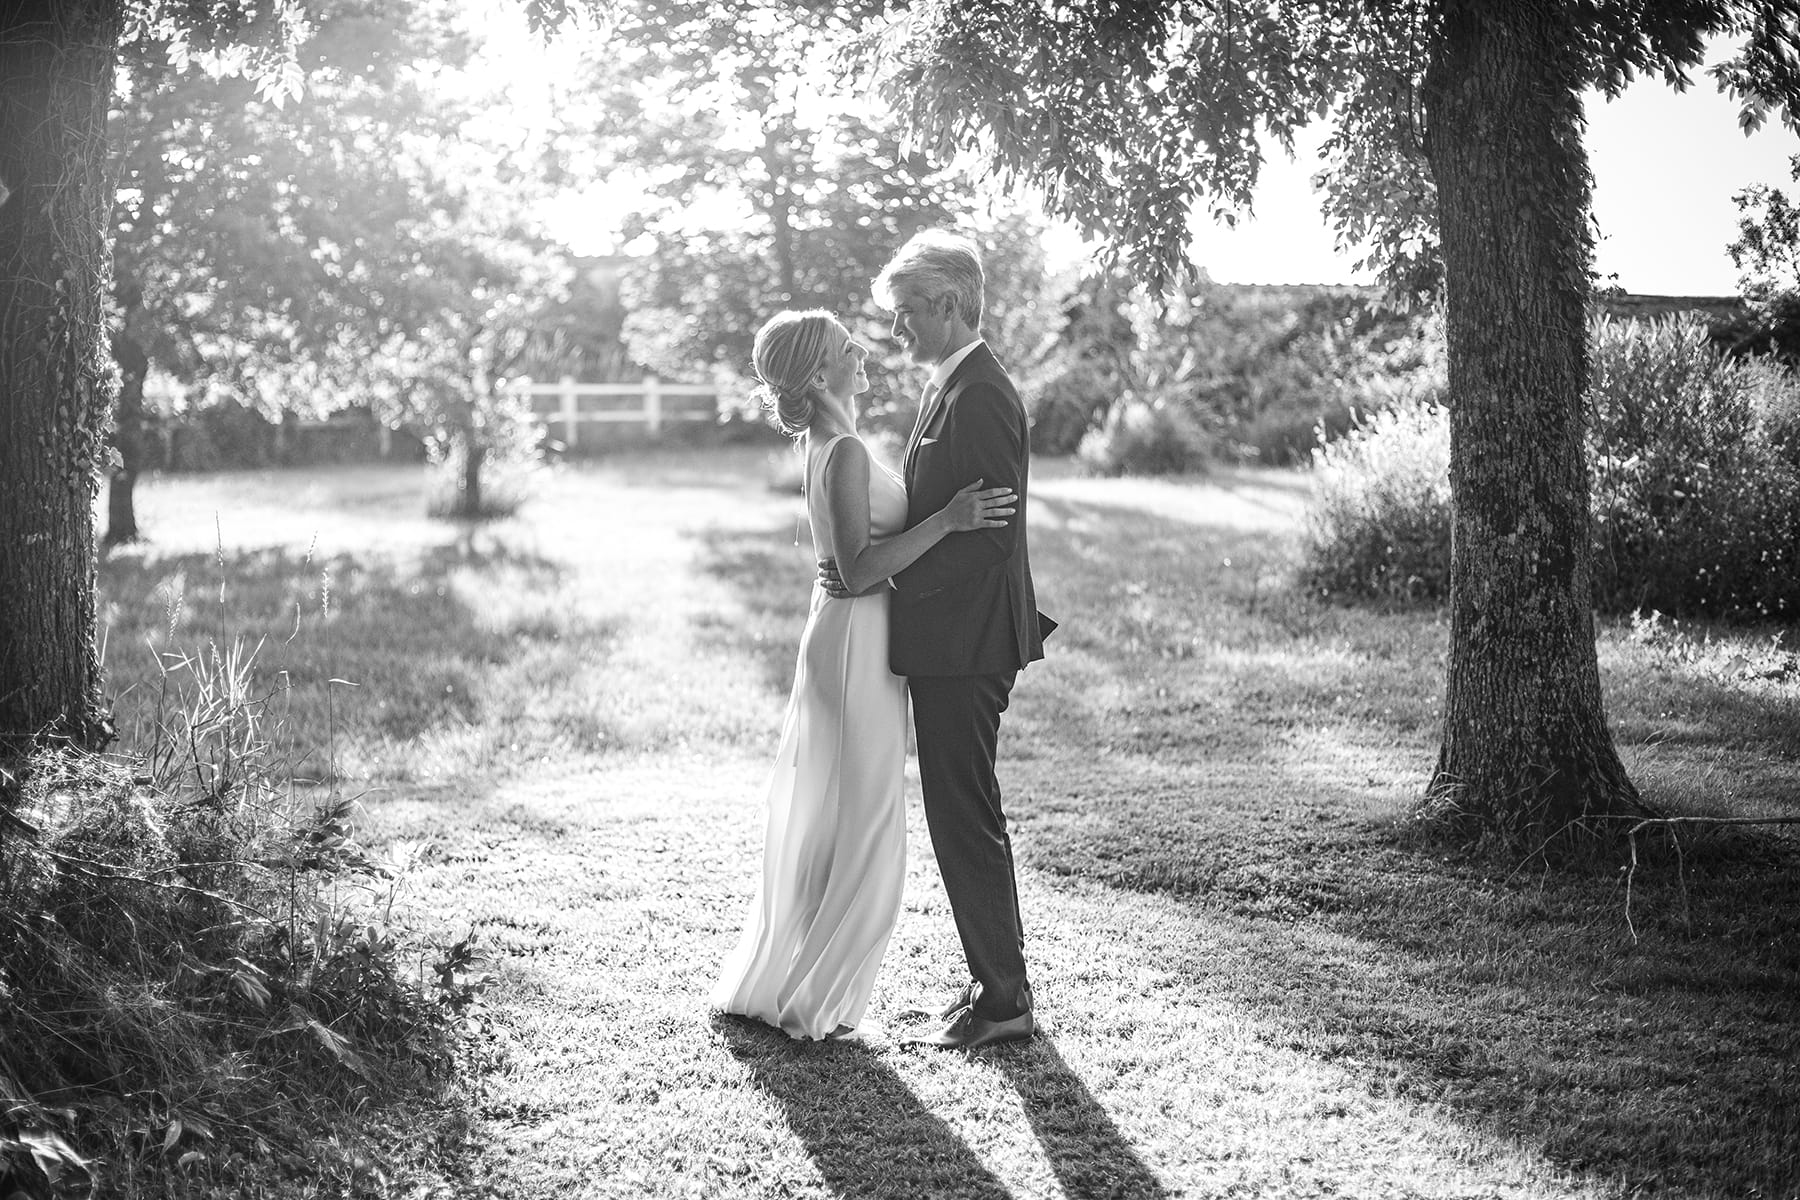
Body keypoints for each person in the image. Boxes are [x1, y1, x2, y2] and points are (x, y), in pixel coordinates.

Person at [712, 309, 1017, 1041]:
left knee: (840, 811)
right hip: (854, 644)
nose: (863, 350)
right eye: (849, 346)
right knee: (862, 819)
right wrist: (948, 519)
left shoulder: (837, 440)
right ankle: (815, 1000)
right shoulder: (842, 448)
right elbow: (859, 568)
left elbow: (847, 563)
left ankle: (803, 982)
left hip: (855, 634)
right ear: (819, 374)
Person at [823, 230, 1055, 1050]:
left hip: (969, 642)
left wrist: (888, 581)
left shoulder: (984, 394)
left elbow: (990, 535)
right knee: (960, 809)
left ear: (949, 305)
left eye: (907, 314)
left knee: (964, 813)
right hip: (950, 638)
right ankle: (998, 983)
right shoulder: (948, 387)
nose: (898, 331)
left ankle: (1005, 999)